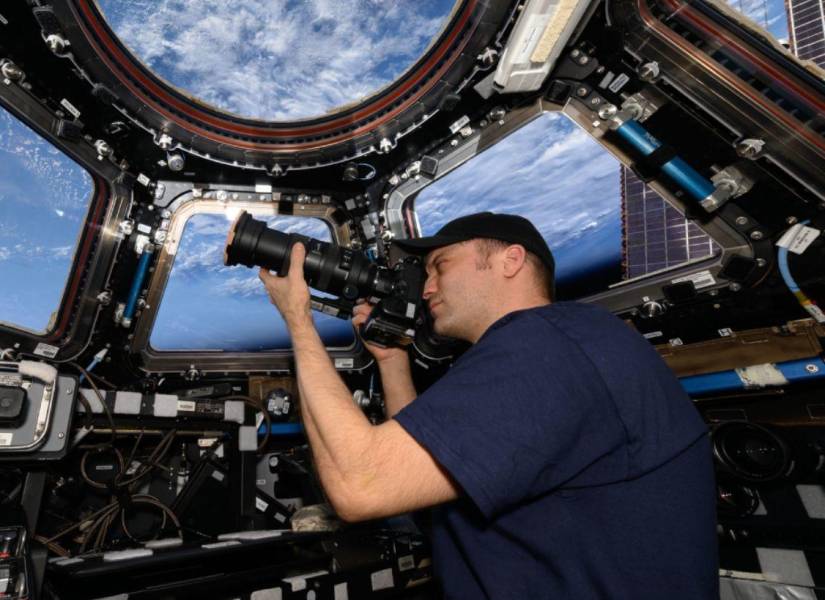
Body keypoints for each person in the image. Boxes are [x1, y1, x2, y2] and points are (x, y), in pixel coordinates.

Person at [258, 211, 719, 599]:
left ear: (510, 260)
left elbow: (361, 486)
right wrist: (393, 362)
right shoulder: (565, 343)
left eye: (440, 265)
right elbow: (417, 489)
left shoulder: (546, 346)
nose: (426, 288)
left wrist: (298, 320)